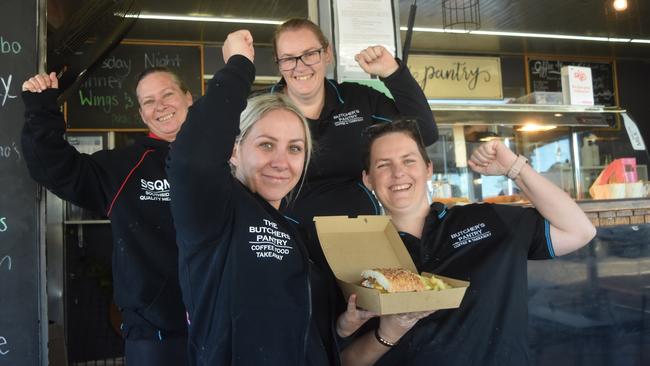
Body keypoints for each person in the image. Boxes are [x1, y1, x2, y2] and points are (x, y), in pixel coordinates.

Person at [339, 119, 597, 366]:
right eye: (383, 164)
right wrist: (388, 333)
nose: (398, 173)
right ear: (368, 179)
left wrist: (514, 169)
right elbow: (347, 360)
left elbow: (579, 231)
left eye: (409, 160)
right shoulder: (359, 254)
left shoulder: (489, 219)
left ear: (428, 168)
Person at [167, 30, 341, 365]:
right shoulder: (216, 210)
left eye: (294, 148)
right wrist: (239, 66)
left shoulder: (290, 229)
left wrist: (346, 324)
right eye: (266, 144)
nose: (281, 161)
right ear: (233, 150)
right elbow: (193, 157)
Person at [21, 67, 192, 365]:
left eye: (168, 94)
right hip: (156, 336)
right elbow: (56, 168)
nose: (160, 105)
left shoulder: (229, 157)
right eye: (149, 101)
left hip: (227, 325)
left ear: (189, 98)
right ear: (141, 114)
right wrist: (42, 108)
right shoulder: (123, 167)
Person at [270, 18, 437, 236]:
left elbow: (424, 132)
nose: (300, 66)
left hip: (358, 238)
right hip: (281, 239)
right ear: (278, 63)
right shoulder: (260, 110)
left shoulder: (358, 99)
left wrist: (393, 73)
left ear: (327, 53)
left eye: (310, 54)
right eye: (288, 58)